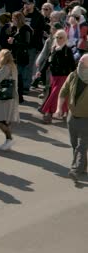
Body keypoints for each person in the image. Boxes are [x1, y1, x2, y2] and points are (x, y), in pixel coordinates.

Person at [55, 54, 88, 182]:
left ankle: (75, 170)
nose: (79, 64)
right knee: (75, 145)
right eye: (79, 61)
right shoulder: (73, 75)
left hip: (86, 119)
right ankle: (83, 165)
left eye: (83, 62)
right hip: (71, 117)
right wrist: (59, 108)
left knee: (82, 146)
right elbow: (63, 92)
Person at [38, 30, 76, 123]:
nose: (59, 39)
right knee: (63, 95)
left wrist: (75, 75)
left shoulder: (68, 50)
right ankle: (67, 112)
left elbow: (72, 64)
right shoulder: (53, 49)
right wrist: (40, 71)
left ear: (65, 38)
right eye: (57, 37)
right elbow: (48, 61)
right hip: (54, 76)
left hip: (64, 76)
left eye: (61, 37)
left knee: (55, 94)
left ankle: (48, 112)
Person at [0, 49, 20, 150]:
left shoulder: (5, 67)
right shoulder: (13, 66)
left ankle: (10, 139)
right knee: (5, 120)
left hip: (5, 97)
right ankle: (8, 141)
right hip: (10, 96)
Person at [8, 12, 33, 103]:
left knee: (18, 76)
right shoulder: (15, 29)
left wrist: (14, 41)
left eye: (13, 19)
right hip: (15, 55)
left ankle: (19, 96)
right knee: (15, 76)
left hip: (21, 56)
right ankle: (16, 95)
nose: (12, 21)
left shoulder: (25, 29)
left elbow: (27, 43)